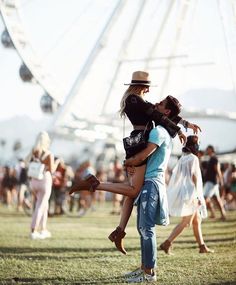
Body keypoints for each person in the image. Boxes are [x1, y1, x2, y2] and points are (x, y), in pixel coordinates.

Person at [70, 71, 201, 254]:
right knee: (133, 190)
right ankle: (95, 184)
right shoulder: (134, 100)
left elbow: (163, 114)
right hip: (139, 145)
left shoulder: (137, 100)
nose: (148, 91)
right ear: (143, 87)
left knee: (131, 194)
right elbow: (159, 116)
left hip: (138, 143)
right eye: (147, 87)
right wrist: (179, 130)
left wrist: (185, 124)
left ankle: (119, 232)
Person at [159, 135, 214, 255]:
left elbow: (177, 176)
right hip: (191, 193)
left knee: (196, 220)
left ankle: (202, 246)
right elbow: (194, 176)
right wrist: (198, 196)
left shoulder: (183, 158)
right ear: (194, 145)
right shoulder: (193, 158)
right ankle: (167, 243)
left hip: (185, 192)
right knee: (186, 222)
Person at [26, 131, 56, 239]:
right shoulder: (49, 154)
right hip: (44, 181)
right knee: (40, 206)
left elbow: (27, 163)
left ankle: (43, 229)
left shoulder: (34, 152)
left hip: (34, 181)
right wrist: (57, 163)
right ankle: (33, 231)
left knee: (44, 205)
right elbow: (52, 170)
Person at [203, 145, 226, 220]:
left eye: (208, 149)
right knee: (217, 199)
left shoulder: (214, 158)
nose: (206, 150)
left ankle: (199, 214)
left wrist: (221, 181)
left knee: (205, 198)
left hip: (211, 182)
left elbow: (218, 170)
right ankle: (222, 215)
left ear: (211, 150)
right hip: (212, 182)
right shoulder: (211, 159)